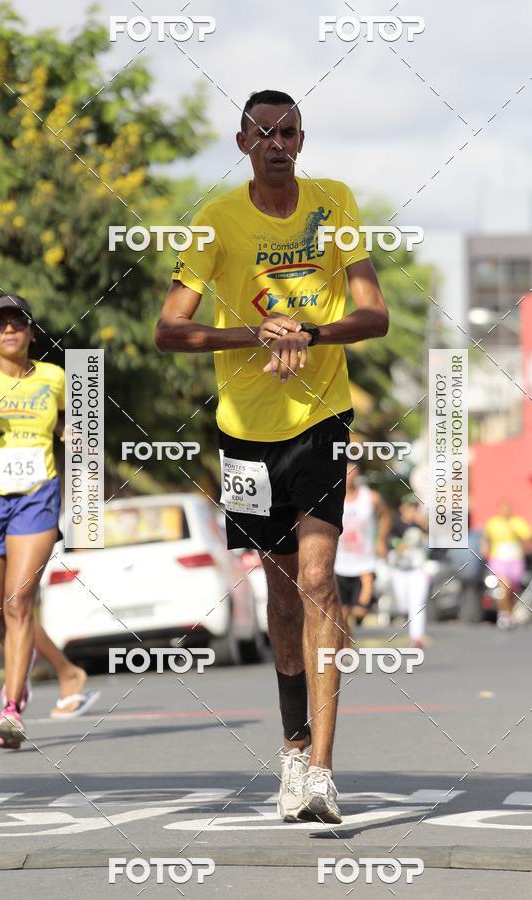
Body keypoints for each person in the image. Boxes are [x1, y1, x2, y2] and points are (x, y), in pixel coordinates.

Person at [155, 89, 388, 823]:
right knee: (282, 596)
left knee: (319, 580)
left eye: (287, 131)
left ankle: (321, 770)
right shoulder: (217, 220)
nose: (277, 142)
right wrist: (252, 335)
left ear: (302, 138)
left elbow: (374, 313)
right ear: (242, 142)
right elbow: (170, 330)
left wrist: (311, 334)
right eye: (263, 132)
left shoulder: (335, 202)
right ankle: (291, 750)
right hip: (246, 433)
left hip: (321, 417)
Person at [0, 294, 99, 749]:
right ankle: (53, 674)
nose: (9, 329)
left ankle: (11, 707)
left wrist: (72, 431)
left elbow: (79, 422)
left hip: (37, 497)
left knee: (20, 600)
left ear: (30, 331)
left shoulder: (57, 377)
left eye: (17, 322)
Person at [335, 464, 391, 636]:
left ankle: (364, 607)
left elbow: (386, 515)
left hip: (365, 563)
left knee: (359, 612)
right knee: (342, 616)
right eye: (345, 472)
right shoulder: (332, 498)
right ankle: (346, 651)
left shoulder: (370, 497)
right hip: (340, 564)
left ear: (357, 474)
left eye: (352, 472)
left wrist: (381, 540)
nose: (349, 476)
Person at [482, 501, 532, 629]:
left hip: (515, 560)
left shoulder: (517, 523)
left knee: (511, 590)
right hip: (499, 560)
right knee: (504, 586)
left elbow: (527, 539)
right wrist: (484, 549)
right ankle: (503, 615)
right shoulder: (493, 523)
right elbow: (486, 538)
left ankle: (510, 614)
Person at [388, 494, 429, 649]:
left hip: (418, 569)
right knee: (403, 605)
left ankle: (417, 637)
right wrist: (398, 545)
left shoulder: (422, 524)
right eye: (409, 508)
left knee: (417, 603)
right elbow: (388, 539)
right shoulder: (395, 523)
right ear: (402, 508)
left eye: (414, 508)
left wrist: (424, 525)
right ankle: (404, 617)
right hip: (399, 569)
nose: (411, 511)